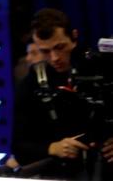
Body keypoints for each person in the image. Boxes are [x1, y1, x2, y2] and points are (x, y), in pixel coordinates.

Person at [12, 9, 113, 179]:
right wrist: (53, 147)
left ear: (74, 37)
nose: (54, 58)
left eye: (60, 47)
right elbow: (19, 147)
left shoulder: (104, 69)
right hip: (62, 173)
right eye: (45, 51)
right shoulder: (32, 83)